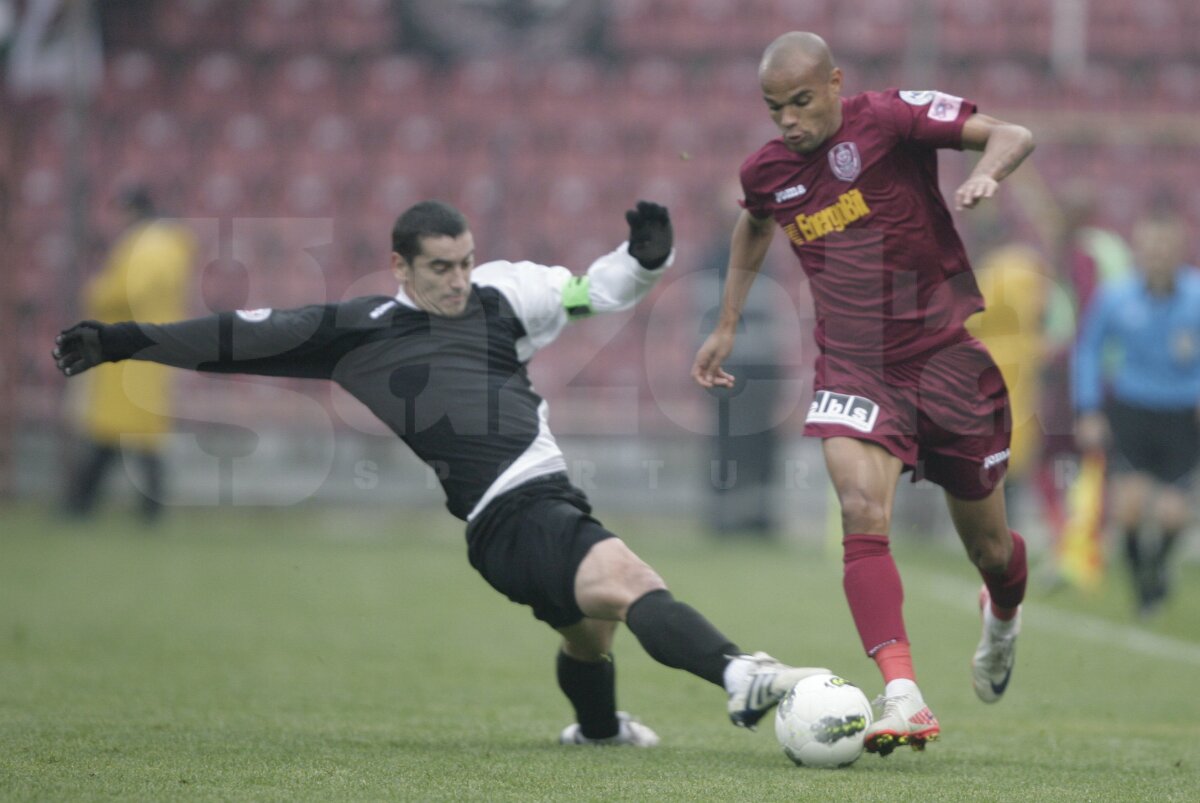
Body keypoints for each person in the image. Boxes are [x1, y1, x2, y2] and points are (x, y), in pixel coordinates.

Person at [54, 199, 829, 746]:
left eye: (462, 261)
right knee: (630, 580)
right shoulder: (359, 330)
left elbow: (593, 291)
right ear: (401, 265)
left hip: (530, 512)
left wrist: (644, 257)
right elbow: (237, 336)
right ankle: (739, 674)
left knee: (588, 636)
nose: (458, 279)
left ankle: (597, 731)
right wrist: (123, 338)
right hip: (516, 510)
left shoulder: (501, 294)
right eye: (440, 268)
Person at [692, 32, 1035, 757]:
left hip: (946, 360)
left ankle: (1002, 614)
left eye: (801, 101)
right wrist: (726, 323)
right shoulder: (768, 171)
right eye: (773, 107)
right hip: (855, 365)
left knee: (991, 547)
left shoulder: (889, 119)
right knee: (858, 506)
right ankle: (902, 691)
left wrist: (987, 176)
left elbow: (1013, 133)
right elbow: (754, 220)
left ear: (835, 83)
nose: (787, 119)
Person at [1073, 209, 1200, 618]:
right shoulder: (1115, 296)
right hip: (1132, 410)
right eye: (1150, 246)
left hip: (1184, 414)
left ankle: (1160, 565)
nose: (1158, 254)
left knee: (1172, 515)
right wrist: (1088, 408)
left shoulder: (1196, 297)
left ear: (1179, 249)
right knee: (1127, 508)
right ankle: (1143, 590)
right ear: (1138, 249)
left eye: (1165, 246)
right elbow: (1088, 350)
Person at [62, 185, 195, 523]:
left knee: (115, 432)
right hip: (147, 351)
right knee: (132, 434)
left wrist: (95, 291)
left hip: (128, 353)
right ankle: (131, 509)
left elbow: (126, 289)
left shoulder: (146, 246)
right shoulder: (168, 245)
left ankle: (86, 506)